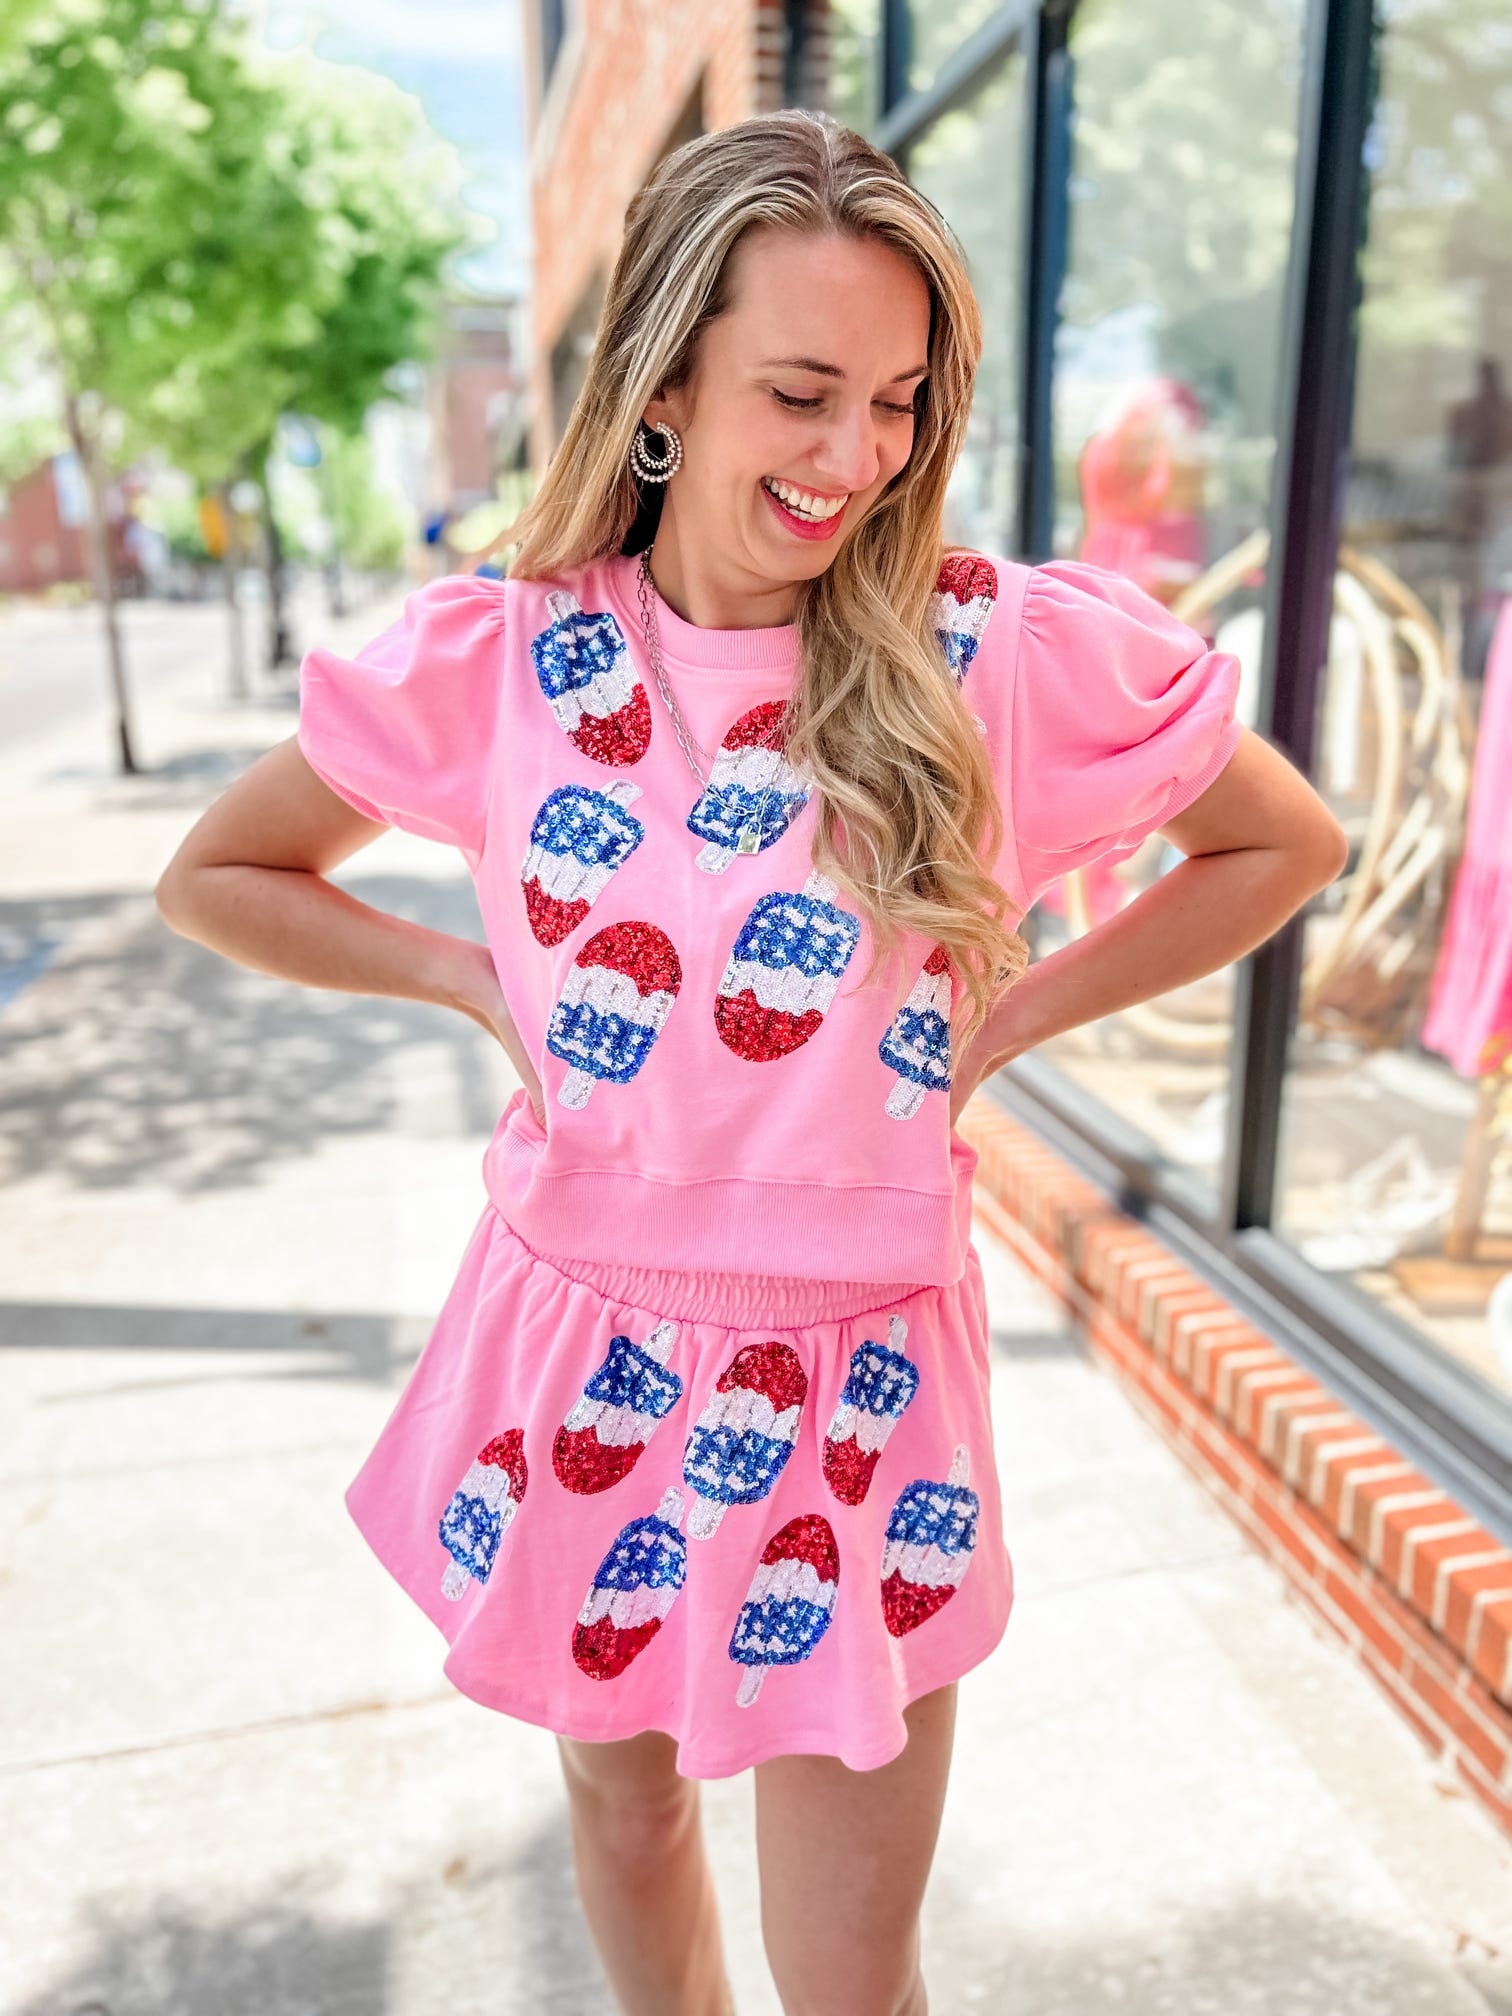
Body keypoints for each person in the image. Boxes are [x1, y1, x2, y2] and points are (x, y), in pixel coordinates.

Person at [154, 109, 1346, 2016]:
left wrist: (1016, 1014)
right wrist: (481, 986)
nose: (857, 456)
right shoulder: (509, 664)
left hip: (859, 1393)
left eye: (895, 400)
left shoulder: (998, 657)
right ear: (665, 386)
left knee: (848, 1971)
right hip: (579, 1345)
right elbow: (221, 873)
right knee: (624, 1832)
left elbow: (1279, 842)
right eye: (800, 391)